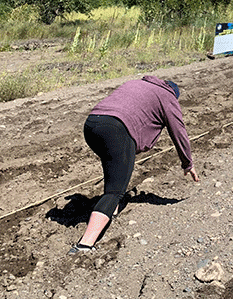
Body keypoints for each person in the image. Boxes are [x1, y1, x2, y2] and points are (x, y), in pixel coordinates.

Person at [68, 76, 199, 255]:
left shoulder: (138, 83)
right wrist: (187, 163)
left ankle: (111, 211)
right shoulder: (168, 96)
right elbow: (178, 130)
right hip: (117, 129)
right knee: (115, 191)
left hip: (92, 124)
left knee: (113, 165)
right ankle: (84, 244)